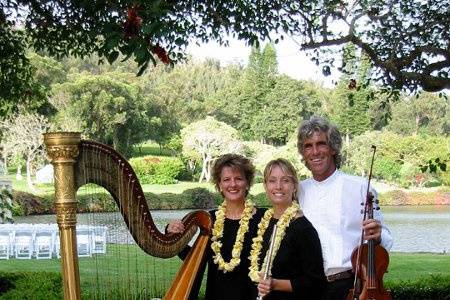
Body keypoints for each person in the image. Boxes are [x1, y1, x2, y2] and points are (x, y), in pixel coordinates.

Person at [296, 116, 394, 300]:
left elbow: (386, 239)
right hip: (308, 288)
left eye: (321, 144)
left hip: (350, 286)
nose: (315, 152)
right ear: (303, 152)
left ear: (333, 147)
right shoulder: (298, 190)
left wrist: (379, 235)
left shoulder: (360, 187)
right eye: (308, 146)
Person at [167, 153, 265, 300]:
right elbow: (196, 258)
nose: (232, 184)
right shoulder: (210, 219)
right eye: (226, 180)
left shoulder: (264, 218)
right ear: (219, 185)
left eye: (238, 178)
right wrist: (172, 235)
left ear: (247, 183)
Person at [250, 158, 326, 300]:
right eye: (272, 181)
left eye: (285, 180)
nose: (278, 186)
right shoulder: (263, 222)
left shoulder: (303, 228)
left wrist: (275, 284)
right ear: (265, 186)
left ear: (294, 186)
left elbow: (316, 283)